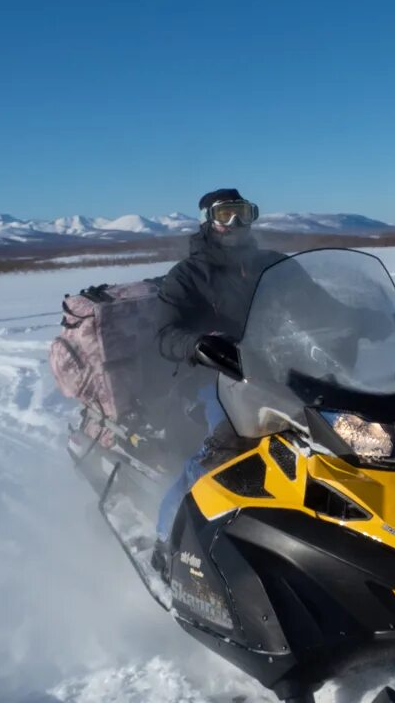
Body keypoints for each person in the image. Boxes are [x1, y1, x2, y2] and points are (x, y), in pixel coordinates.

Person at [153, 188, 284, 546]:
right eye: (226, 215)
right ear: (207, 221)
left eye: (242, 213)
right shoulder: (187, 275)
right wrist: (198, 344)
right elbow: (165, 334)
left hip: (277, 371)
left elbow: (320, 303)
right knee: (226, 446)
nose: (236, 223)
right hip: (211, 376)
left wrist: (371, 321)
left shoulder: (274, 265)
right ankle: (166, 540)